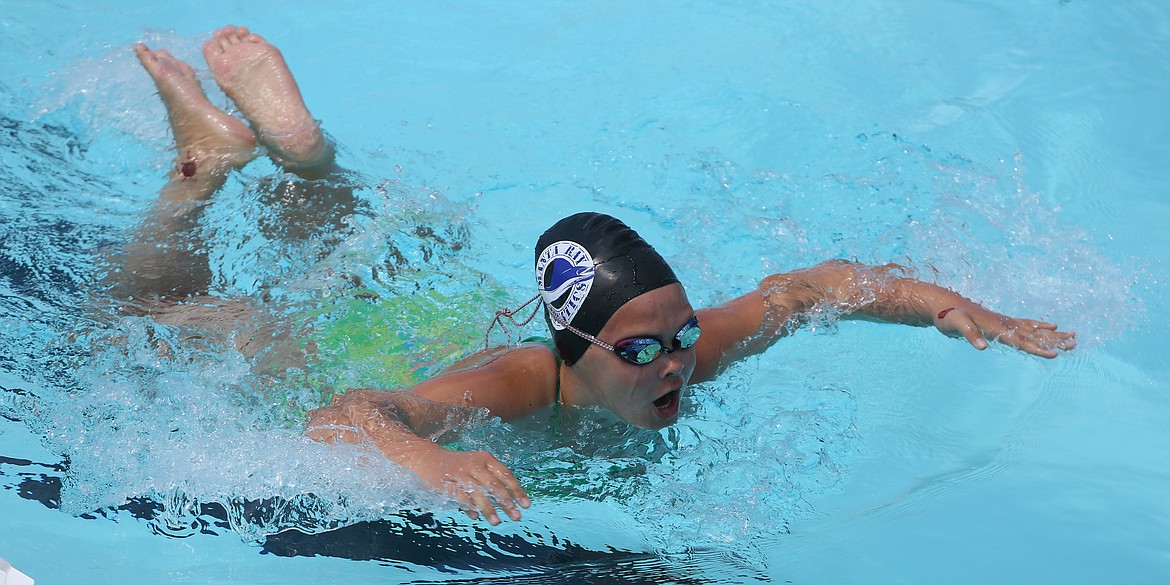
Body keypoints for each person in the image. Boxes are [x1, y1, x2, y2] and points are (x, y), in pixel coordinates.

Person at [129, 26, 1076, 528]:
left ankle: (301, 154)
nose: (673, 364)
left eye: (683, 335)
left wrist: (951, 306)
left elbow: (813, 286)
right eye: (641, 348)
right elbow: (340, 413)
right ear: (574, 351)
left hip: (433, 313)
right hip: (381, 351)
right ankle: (201, 173)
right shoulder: (515, 387)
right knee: (153, 313)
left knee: (348, 255)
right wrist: (433, 459)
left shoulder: (681, 359)